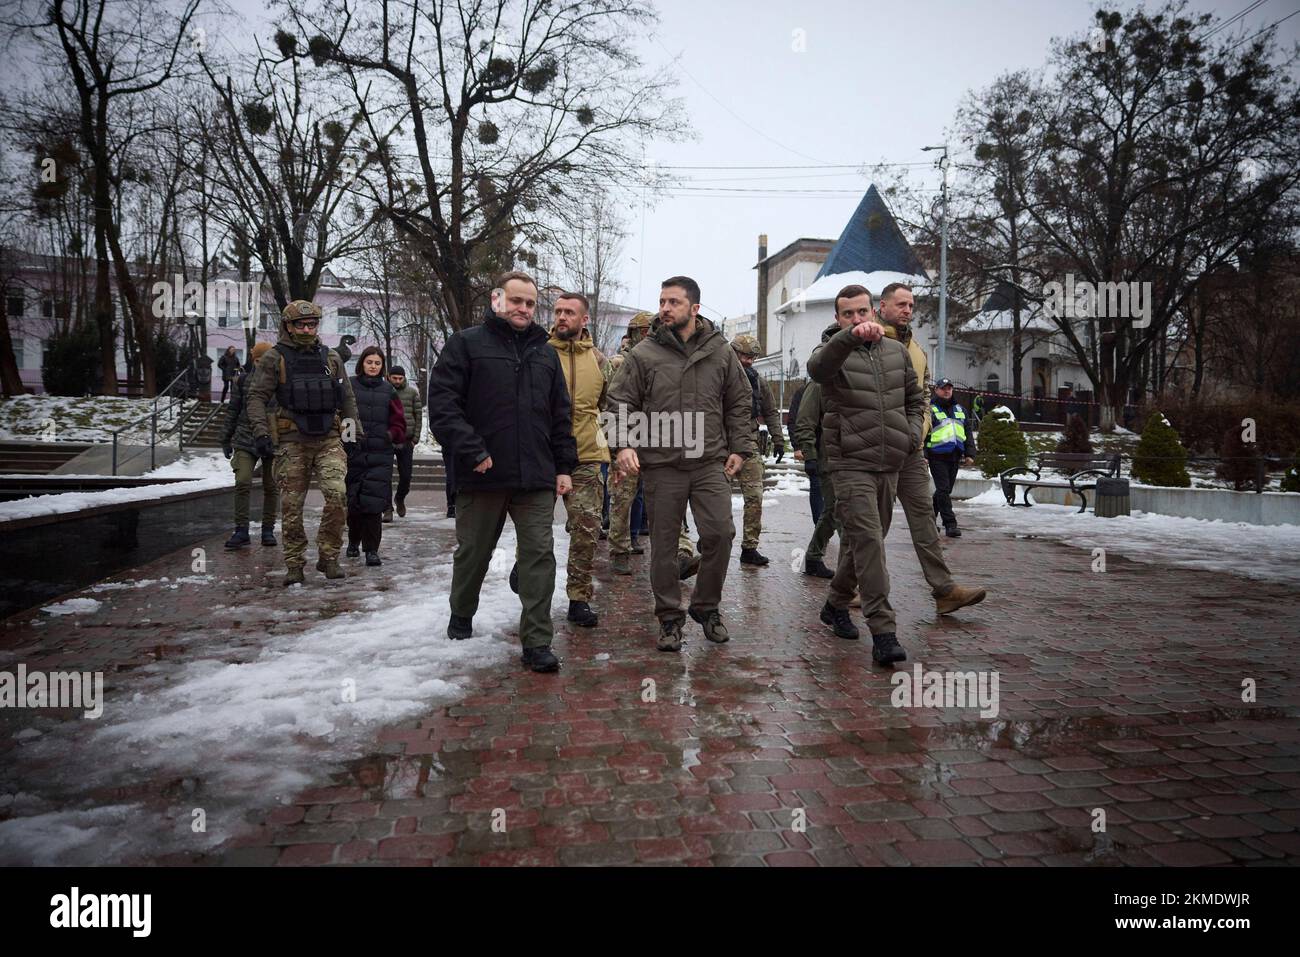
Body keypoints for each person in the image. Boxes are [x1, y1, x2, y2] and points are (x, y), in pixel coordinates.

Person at [427, 270, 577, 674]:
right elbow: (442, 406)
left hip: (536, 477)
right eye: (516, 301)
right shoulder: (466, 345)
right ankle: (461, 615)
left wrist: (564, 466)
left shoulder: (545, 354)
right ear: (497, 300)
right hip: (483, 473)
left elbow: (560, 415)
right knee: (474, 554)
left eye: (529, 303)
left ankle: (537, 641)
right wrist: (472, 449)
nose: (523, 309)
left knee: (539, 557)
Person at [606, 276, 753, 652]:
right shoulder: (644, 354)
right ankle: (669, 618)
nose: (665, 308)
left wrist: (741, 447)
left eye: (674, 302)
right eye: (662, 301)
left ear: (695, 308)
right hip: (662, 465)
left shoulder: (721, 352)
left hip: (709, 464)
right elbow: (620, 402)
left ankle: (706, 607)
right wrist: (622, 445)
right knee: (666, 548)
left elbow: (739, 401)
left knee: (721, 534)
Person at [807, 284, 922, 665]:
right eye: (847, 314)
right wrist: (848, 338)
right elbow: (818, 369)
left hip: (890, 461)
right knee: (871, 542)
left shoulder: (896, 352)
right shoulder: (830, 352)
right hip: (849, 464)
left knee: (862, 545)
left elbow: (914, 398)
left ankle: (835, 603)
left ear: (873, 311)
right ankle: (884, 631)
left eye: (861, 312)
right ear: (838, 319)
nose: (856, 319)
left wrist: (911, 434)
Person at [876, 283, 986, 608]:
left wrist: (917, 432)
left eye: (911, 305)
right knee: (874, 524)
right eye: (900, 304)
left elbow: (924, 397)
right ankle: (849, 588)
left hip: (909, 449)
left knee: (924, 515)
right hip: (877, 448)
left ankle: (944, 590)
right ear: (882, 307)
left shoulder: (918, 351)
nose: (907, 310)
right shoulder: (868, 342)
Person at [245, 300, 362, 586]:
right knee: (291, 506)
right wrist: (261, 433)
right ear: (288, 325)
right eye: (301, 324)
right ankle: (295, 563)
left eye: (312, 324)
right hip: (292, 441)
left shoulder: (330, 357)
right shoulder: (275, 358)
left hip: (329, 439)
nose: (307, 329)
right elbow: (256, 398)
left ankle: (329, 556)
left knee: (337, 496)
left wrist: (351, 433)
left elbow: (346, 398)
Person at [544, 292, 608, 627]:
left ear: (585, 319)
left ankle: (578, 598)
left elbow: (612, 405)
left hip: (585, 456)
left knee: (586, 528)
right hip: (541, 455)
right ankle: (525, 572)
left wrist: (616, 446)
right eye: (557, 312)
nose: (561, 317)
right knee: (536, 530)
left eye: (569, 312)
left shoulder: (598, 360)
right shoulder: (539, 354)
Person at [345, 347, 407, 565]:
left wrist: (389, 435)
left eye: (377, 363)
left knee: (373, 504)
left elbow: (399, 421)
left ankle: (372, 550)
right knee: (354, 502)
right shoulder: (350, 386)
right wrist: (348, 440)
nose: (373, 366)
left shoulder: (388, 389)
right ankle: (353, 541)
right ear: (362, 363)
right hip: (354, 452)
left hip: (380, 454)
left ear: (382, 366)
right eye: (369, 362)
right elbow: (344, 414)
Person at [730, 334, 784, 567]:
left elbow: (771, 411)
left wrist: (778, 439)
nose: (749, 361)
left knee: (755, 497)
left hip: (749, 441)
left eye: (752, 357)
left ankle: (749, 547)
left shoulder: (758, 382)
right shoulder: (719, 377)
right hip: (721, 443)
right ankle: (712, 538)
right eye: (744, 356)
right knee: (714, 498)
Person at [220, 341, 278, 549]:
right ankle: (241, 530)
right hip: (245, 438)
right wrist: (225, 439)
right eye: (262, 360)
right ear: (255, 360)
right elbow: (233, 410)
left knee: (271, 486)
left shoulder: (280, 382)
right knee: (243, 480)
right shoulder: (243, 381)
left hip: (273, 440)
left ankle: (268, 530)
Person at [794, 379, 836, 579]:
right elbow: (804, 421)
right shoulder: (820, 381)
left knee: (833, 512)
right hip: (829, 458)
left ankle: (813, 557)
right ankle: (854, 579)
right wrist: (810, 455)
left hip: (857, 456)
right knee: (841, 511)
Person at [927, 377, 978, 538]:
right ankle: (950, 524)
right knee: (943, 490)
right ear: (936, 390)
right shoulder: (930, 409)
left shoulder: (960, 409)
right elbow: (923, 434)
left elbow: (967, 433)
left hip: (954, 456)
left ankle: (928, 522)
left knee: (944, 491)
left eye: (949, 388)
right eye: (943, 388)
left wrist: (970, 453)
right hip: (936, 455)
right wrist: (924, 455)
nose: (947, 391)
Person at [385, 365, 423, 521]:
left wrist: (415, 439)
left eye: (400, 378)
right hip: (387, 439)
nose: (397, 381)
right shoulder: (384, 391)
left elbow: (418, 415)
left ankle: (400, 498)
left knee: (406, 476)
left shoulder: (412, 392)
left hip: (406, 440)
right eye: (394, 378)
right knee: (384, 476)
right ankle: (387, 508)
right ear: (389, 377)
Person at [788, 381, 822, 524]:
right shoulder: (805, 390)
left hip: (840, 450)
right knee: (817, 487)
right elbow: (794, 420)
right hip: (816, 449)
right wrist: (797, 447)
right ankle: (820, 531)